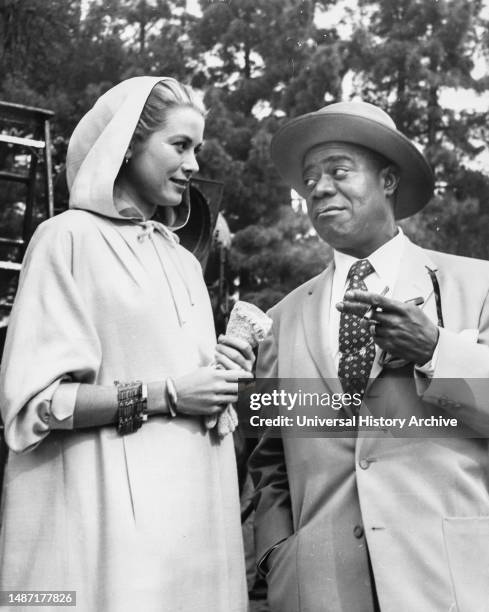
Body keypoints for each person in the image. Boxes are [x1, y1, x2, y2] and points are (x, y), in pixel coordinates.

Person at [0, 76, 254, 612]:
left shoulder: (184, 262)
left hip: (195, 530)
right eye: (179, 146)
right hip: (106, 531)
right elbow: (36, 407)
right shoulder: (66, 238)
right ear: (128, 144)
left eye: (198, 150)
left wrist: (224, 375)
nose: (193, 166)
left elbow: (196, 394)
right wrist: (169, 394)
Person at [249, 101, 489, 611]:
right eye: (310, 178)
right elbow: (270, 458)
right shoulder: (281, 320)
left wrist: (436, 351)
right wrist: (278, 553)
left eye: (338, 170)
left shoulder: (479, 286)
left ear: (387, 180)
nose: (318, 188)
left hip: (448, 582)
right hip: (321, 588)